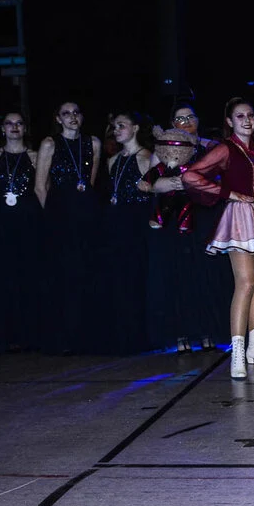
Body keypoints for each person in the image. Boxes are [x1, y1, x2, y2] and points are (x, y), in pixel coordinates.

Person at [183, 98, 254, 378]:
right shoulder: (226, 148)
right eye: (240, 116)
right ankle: (237, 352)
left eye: (250, 115)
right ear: (229, 121)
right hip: (240, 217)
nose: (248, 121)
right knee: (246, 282)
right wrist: (227, 193)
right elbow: (191, 176)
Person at [142, 102, 221, 354]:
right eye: (180, 119)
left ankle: (208, 331)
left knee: (205, 275)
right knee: (179, 275)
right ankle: (181, 334)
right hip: (175, 218)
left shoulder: (210, 147)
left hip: (205, 217)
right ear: (172, 124)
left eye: (190, 117)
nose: (185, 123)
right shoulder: (165, 146)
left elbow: (220, 177)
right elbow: (151, 183)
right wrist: (176, 183)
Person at [35, 101, 103, 354]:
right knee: (63, 275)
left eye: (76, 112)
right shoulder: (49, 143)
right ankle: (63, 338)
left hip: (86, 214)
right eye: (66, 113)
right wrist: (51, 217)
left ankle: (86, 336)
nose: (72, 117)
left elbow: (90, 181)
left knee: (87, 271)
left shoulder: (93, 143)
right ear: (58, 119)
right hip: (59, 217)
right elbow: (40, 186)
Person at [101, 109, 154, 355]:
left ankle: (139, 335)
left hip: (136, 225)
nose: (117, 130)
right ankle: (121, 335)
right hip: (116, 224)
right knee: (119, 278)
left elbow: (152, 193)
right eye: (115, 126)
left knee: (135, 278)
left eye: (121, 125)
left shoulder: (145, 157)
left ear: (135, 128)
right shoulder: (113, 160)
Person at [0, 111, 41, 352]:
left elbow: (43, 188)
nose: (14, 127)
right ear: (2, 128)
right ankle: (6, 335)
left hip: (28, 222)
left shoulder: (34, 156)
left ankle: (28, 334)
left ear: (25, 128)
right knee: (4, 277)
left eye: (19, 123)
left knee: (28, 276)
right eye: (9, 123)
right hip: (2, 223)